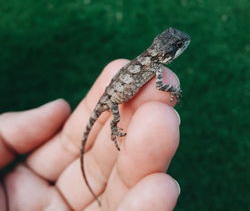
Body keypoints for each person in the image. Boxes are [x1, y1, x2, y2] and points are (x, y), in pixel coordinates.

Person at [0, 59, 181, 211]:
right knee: (114, 117)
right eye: (179, 46)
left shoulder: (149, 62)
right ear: (168, 53)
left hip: (113, 94)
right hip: (113, 99)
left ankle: (113, 129)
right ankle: (114, 130)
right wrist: (173, 90)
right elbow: (159, 85)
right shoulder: (155, 66)